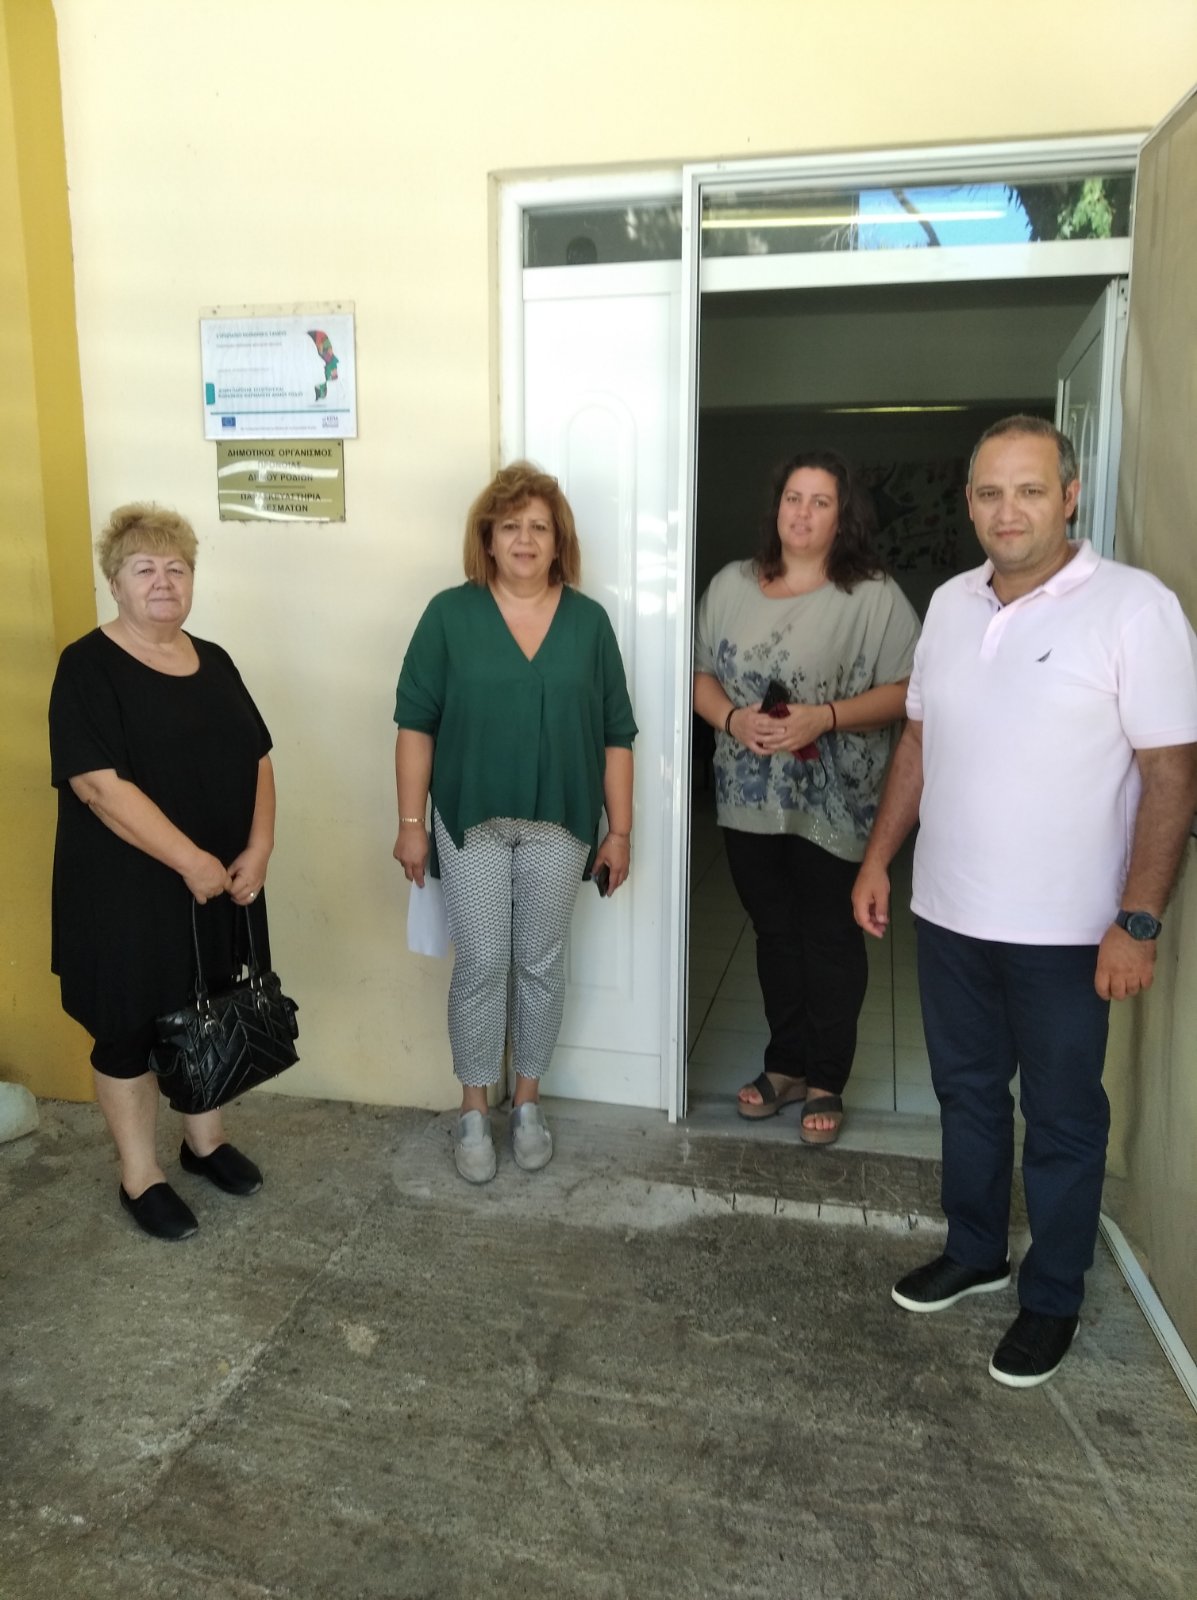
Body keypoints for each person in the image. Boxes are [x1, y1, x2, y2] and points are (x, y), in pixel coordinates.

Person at [852, 415, 1197, 1388]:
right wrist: (879, 860)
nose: (1009, 511)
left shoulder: (1135, 608)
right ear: (969, 504)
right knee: (965, 1095)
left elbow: (1171, 775)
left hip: (1070, 932)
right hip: (949, 914)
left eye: (1031, 490)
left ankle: (1051, 1295)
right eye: (991, 492)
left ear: (1069, 497)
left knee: (1061, 1116)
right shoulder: (950, 604)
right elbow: (918, 740)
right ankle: (975, 1250)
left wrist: (1138, 920)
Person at [393, 462, 636, 1183]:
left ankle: (526, 1101)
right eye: (510, 527)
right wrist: (410, 822)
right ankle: (474, 1108)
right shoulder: (449, 615)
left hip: (562, 822)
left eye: (539, 528)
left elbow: (616, 735)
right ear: (488, 539)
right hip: (469, 819)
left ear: (558, 542)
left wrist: (619, 831)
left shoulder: (588, 624)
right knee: (481, 962)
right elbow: (415, 724)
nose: (525, 540)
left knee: (539, 962)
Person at [49, 504, 276, 1241]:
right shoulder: (86, 666)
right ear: (114, 582)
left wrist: (260, 847)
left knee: (209, 1007)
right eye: (144, 568)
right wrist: (190, 860)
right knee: (127, 1029)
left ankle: (204, 1144)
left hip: (220, 882)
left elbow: (258, 756)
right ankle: (140, 1175)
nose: (163, 581)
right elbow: (97, 786)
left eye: (177, 568)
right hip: (123, 893)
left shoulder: (215, 659)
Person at [693, 449, 920, 1145]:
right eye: (794, 498)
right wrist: (732, 719)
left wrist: (825, 717)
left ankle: (826, 1077)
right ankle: (785, 1064)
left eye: (821, 502)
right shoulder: (730, 584)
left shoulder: (873, 596)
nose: (803, 513)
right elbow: (699, 674)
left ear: (842, 516)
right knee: (774, 932)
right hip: (746, 797)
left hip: (835, 802)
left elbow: (909, 694)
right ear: (776, 507)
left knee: (828, 936)